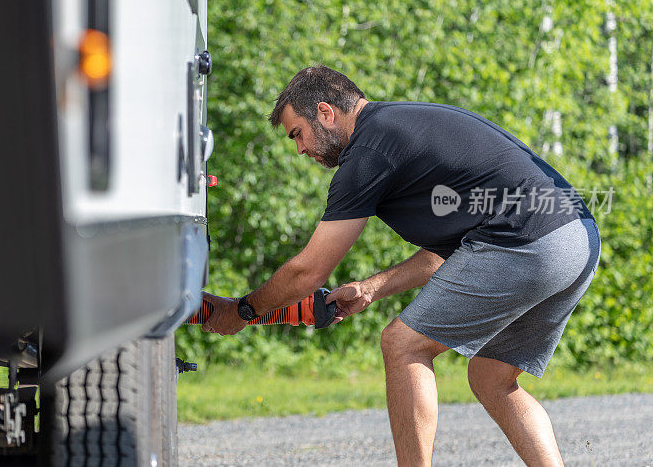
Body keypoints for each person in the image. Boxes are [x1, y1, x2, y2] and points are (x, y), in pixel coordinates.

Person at [202, 65, 601, 466]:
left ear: (325, 112)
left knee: (403, 344)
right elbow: (450, 256)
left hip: (529, 240)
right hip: (576, 239)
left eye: (297, 134)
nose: (300, 149)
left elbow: (308, 272)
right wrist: (373, 287)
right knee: (491, 377)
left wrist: (242, 310)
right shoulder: (400, 128)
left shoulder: (369, 152)